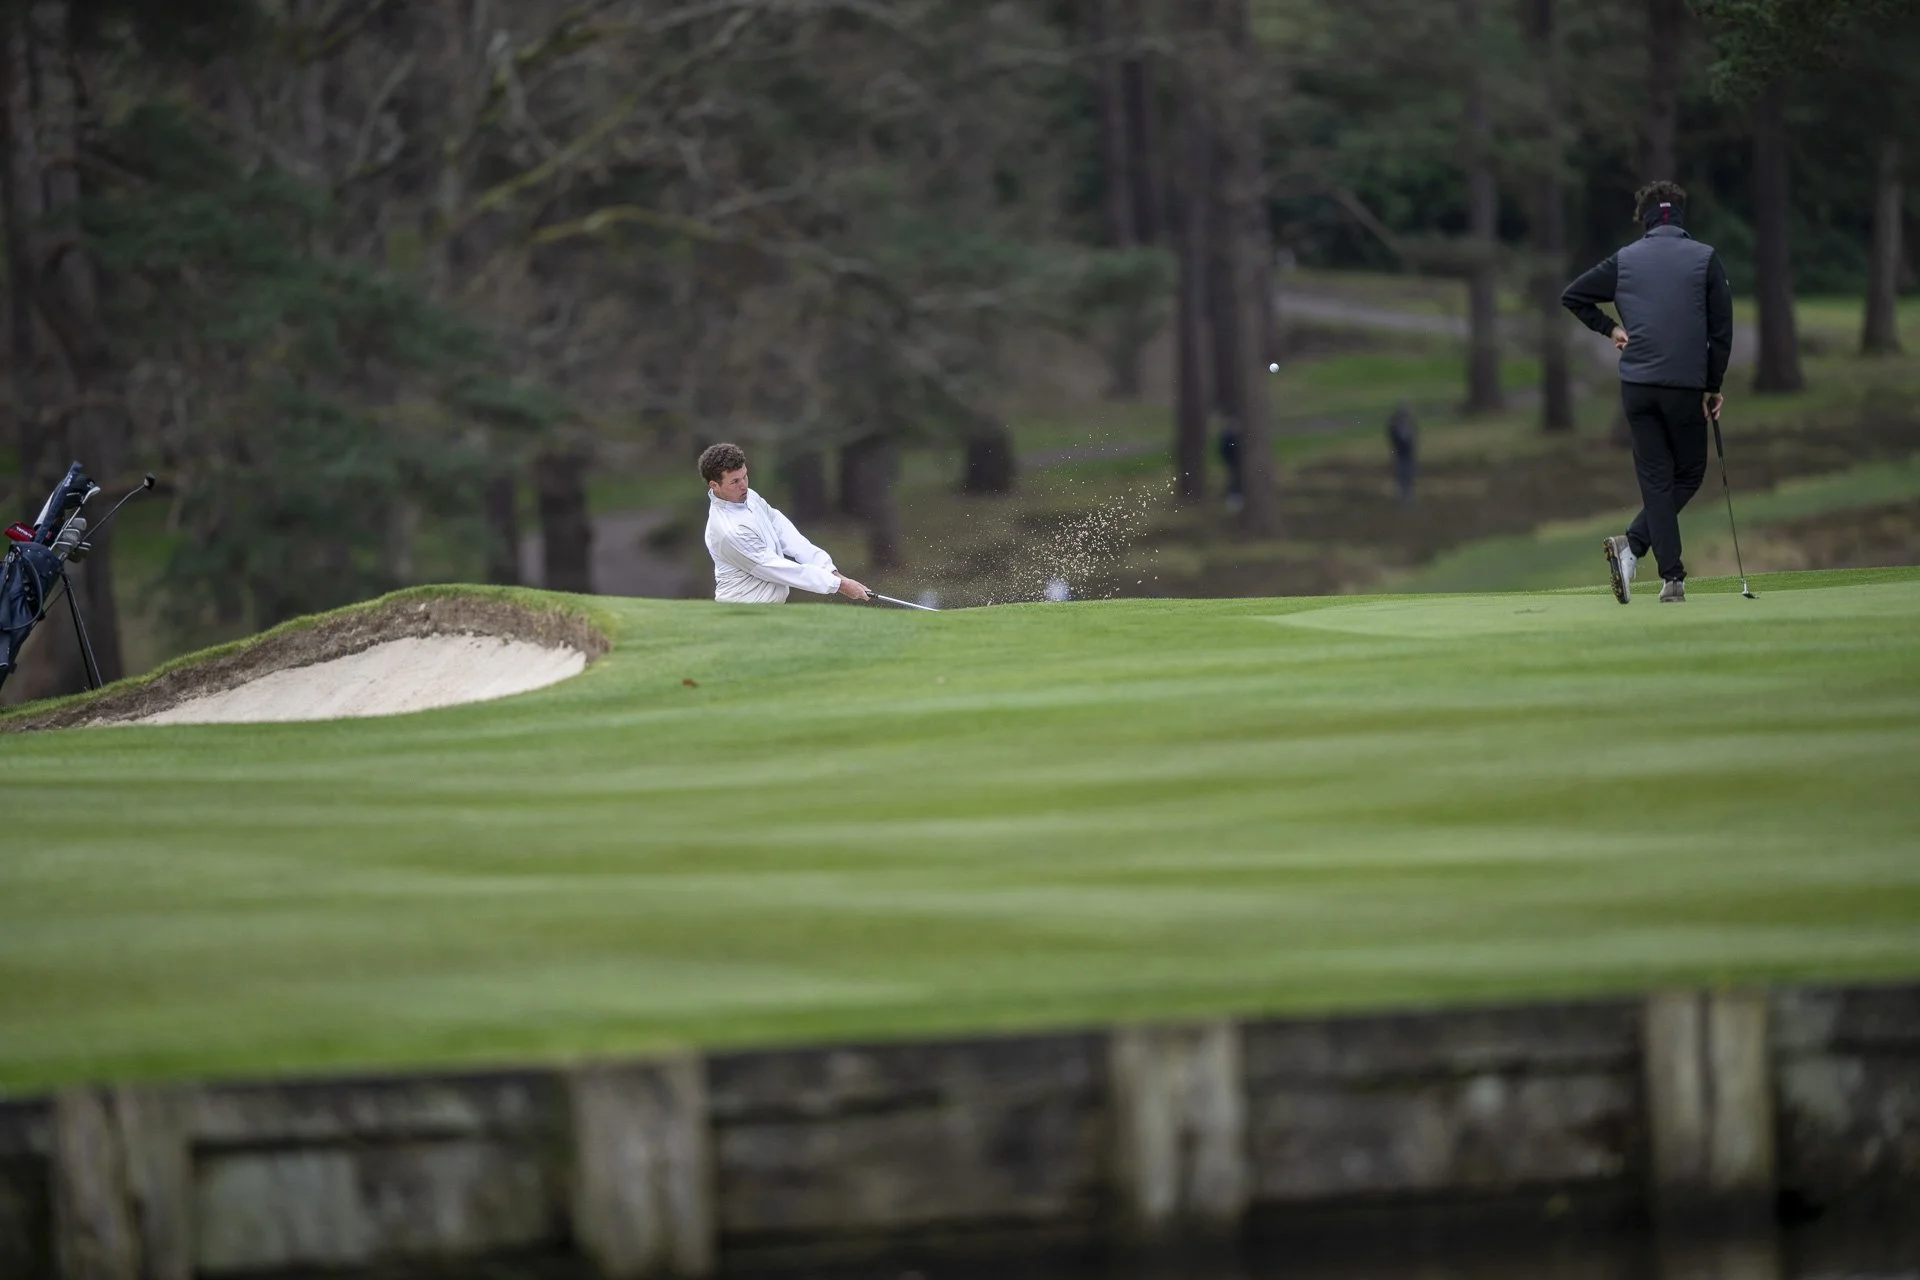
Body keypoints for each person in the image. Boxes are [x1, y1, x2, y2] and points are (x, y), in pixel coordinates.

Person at [1561, 180, 1734, 604]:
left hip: (1637, 388)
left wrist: (1611, 329)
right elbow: (1722, 331)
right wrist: (1713, 385)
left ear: (1645, 219)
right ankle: (1641, 552)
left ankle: (1663, 572)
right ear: (1681, 215)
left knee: (1657, 480)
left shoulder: (1624, 260)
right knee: (1688, 474)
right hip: (1685, 387)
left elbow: (1573, 296)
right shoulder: (1705, 258)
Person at [699, 442, 872, 604]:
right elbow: (778, 569)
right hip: (741, 612)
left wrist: (830, 570)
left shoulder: (749, 497)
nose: (743, 485)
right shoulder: (728, 530)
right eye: (735, 482)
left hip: (768, 611)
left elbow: (784, 531)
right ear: (714, 485)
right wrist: (838, 584)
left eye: (745, 476)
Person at [1387, 401, 1418, 503]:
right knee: (1401, 475)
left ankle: (1408, 495)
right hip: (1400, 455)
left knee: (1408, 475)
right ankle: (1402, 495)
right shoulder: (1395, 426)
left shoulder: (1409, 425)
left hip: (1408, 455)